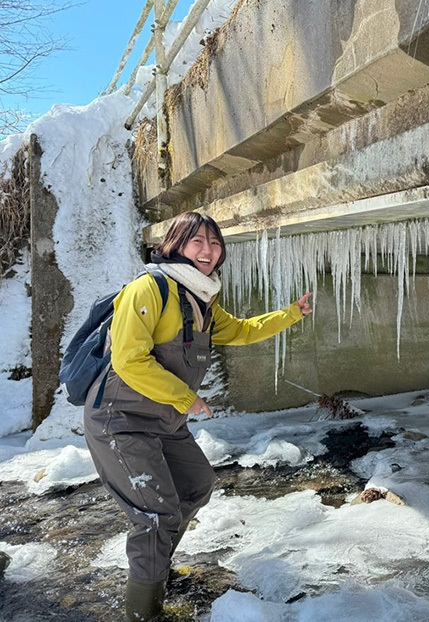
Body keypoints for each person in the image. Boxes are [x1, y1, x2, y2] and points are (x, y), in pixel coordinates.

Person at [83, 212, 312, 621]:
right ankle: (143, 612)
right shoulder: (149, 289)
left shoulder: (203, 299)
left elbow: (241, 331)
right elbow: (129, 360)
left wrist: (291, 313)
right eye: (197, 242)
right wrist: (186, 398)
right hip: (119, 420)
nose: (208, 251)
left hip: (163, 421)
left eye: (215, 243)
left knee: (196, 485)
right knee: (155, 515)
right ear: (175, 245)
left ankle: (154, 568)